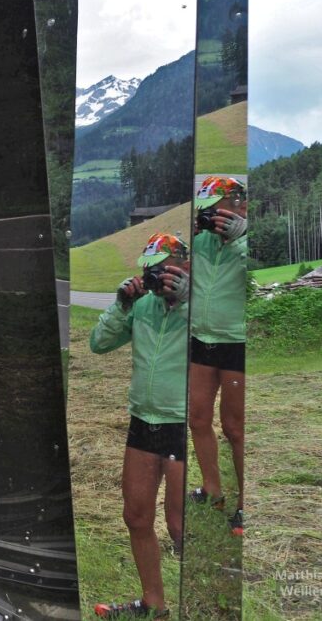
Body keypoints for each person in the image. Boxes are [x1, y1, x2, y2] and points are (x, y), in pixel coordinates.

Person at [90, 233, 191, 619]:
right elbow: (98, 343)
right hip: (143, 423)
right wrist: (121, 305)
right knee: (136, 516)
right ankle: (154, 605)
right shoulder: (142, 306)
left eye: (163, 269)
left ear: (184, 265)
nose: (156, 277)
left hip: (180, 424)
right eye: (149, 271)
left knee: (181, 525)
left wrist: (186, 302)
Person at [188, 176, 247, 536]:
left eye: (218, 209)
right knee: (197, 418)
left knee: (235, 427)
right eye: (206, 211)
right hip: (201, 339)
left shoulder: (247, 241)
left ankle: (247, 501)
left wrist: (242, 238)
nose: (213, 217)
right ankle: (213, 489)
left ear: (240, 205)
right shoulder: (201, 241)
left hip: (237, 342)